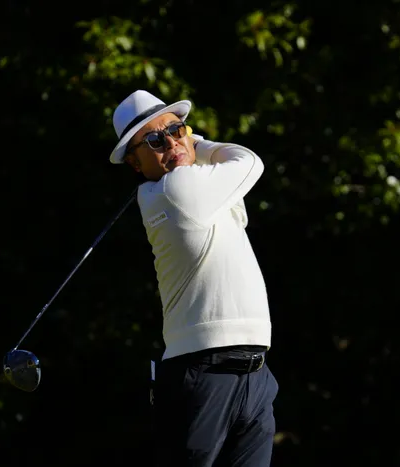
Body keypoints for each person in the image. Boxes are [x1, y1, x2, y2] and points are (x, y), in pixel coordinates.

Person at [108, 89, 279, 467]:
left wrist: (183, 145)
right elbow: (249, 161)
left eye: (176, 130)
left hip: (254, 372)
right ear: (135, 163)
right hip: (203, 374)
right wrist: (196, 143)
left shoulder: (197, 187)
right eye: (155, 141)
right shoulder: (177, 190)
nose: (171, 142)